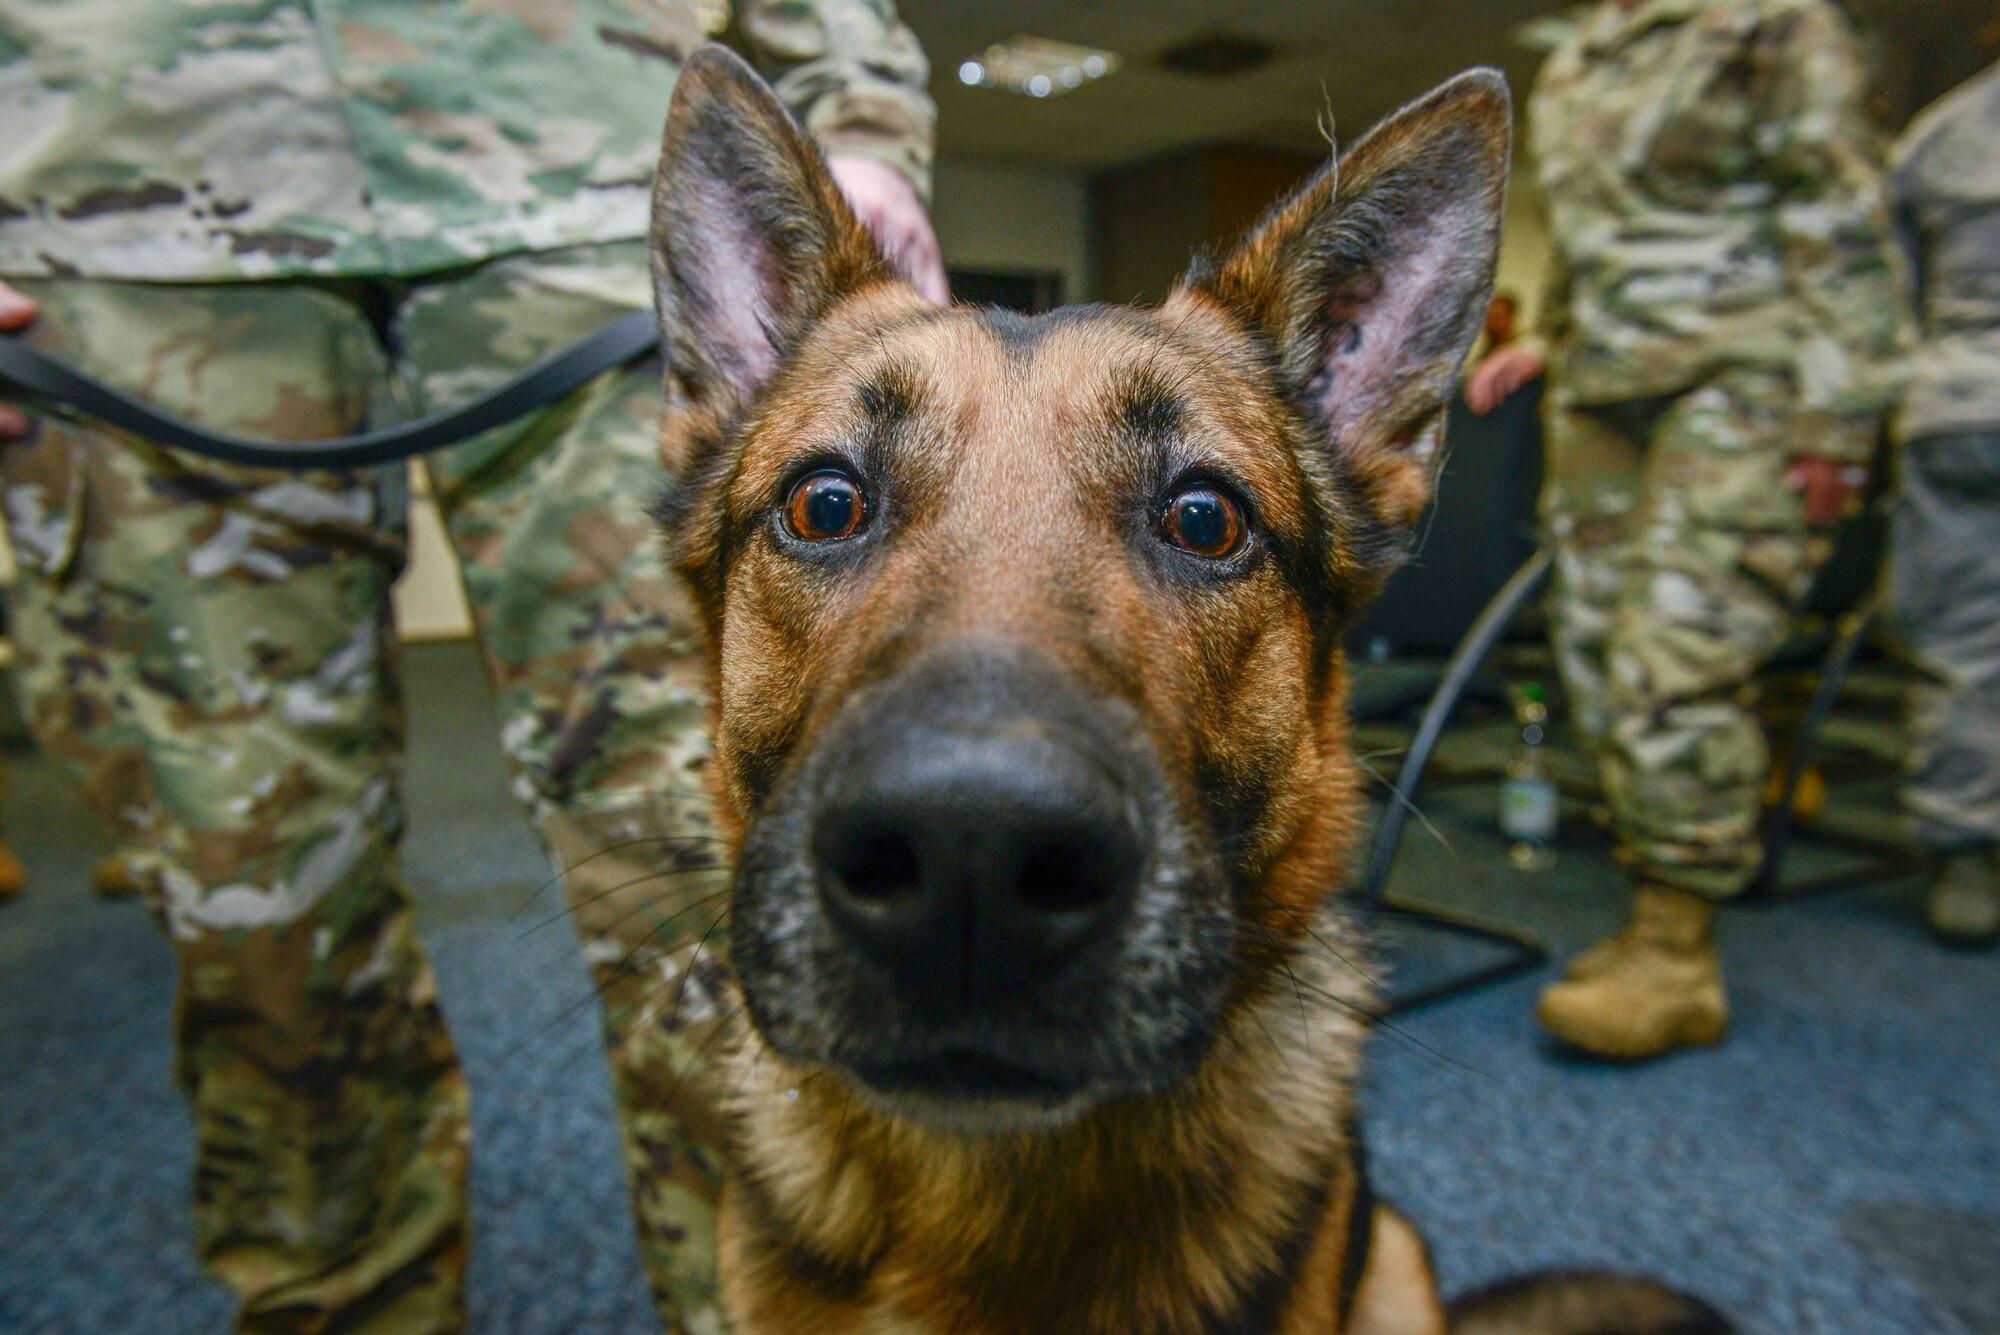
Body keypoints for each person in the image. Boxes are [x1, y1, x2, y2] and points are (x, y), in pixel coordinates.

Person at [0, 3, 942, 1331]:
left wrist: (858, 115)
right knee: (260, 914)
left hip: (580, 166)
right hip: (117, 202)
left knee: (726, 880)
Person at [1468, 0, 1900, 1060]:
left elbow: (1842, 212)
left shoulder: (1771, 26)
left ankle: (1674, 951)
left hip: (1747, 377)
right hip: (1606, 385)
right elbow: (1583, 218)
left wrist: (1839, 417)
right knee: (1593, 649)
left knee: (1678, 652)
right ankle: (1648, 896)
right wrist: (1552, 334)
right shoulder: (1582, 47)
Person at [1887, 57, 2000, 947]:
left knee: (1958, 635)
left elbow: (1896, 290)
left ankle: (1965, 853)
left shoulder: (1942, 129)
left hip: (1958, 399)